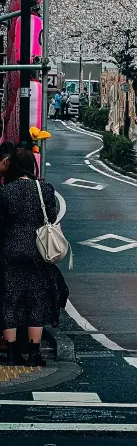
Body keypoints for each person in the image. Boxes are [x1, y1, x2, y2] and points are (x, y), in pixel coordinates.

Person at [0, 148, 69, 365]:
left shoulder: (5, 191)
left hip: (10, 249)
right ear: (32, 167)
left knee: (9, 299)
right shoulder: (44, 189)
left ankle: (11, 353)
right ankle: (34, 353)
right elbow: (51, 216)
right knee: (36, 301)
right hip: (38, 250)